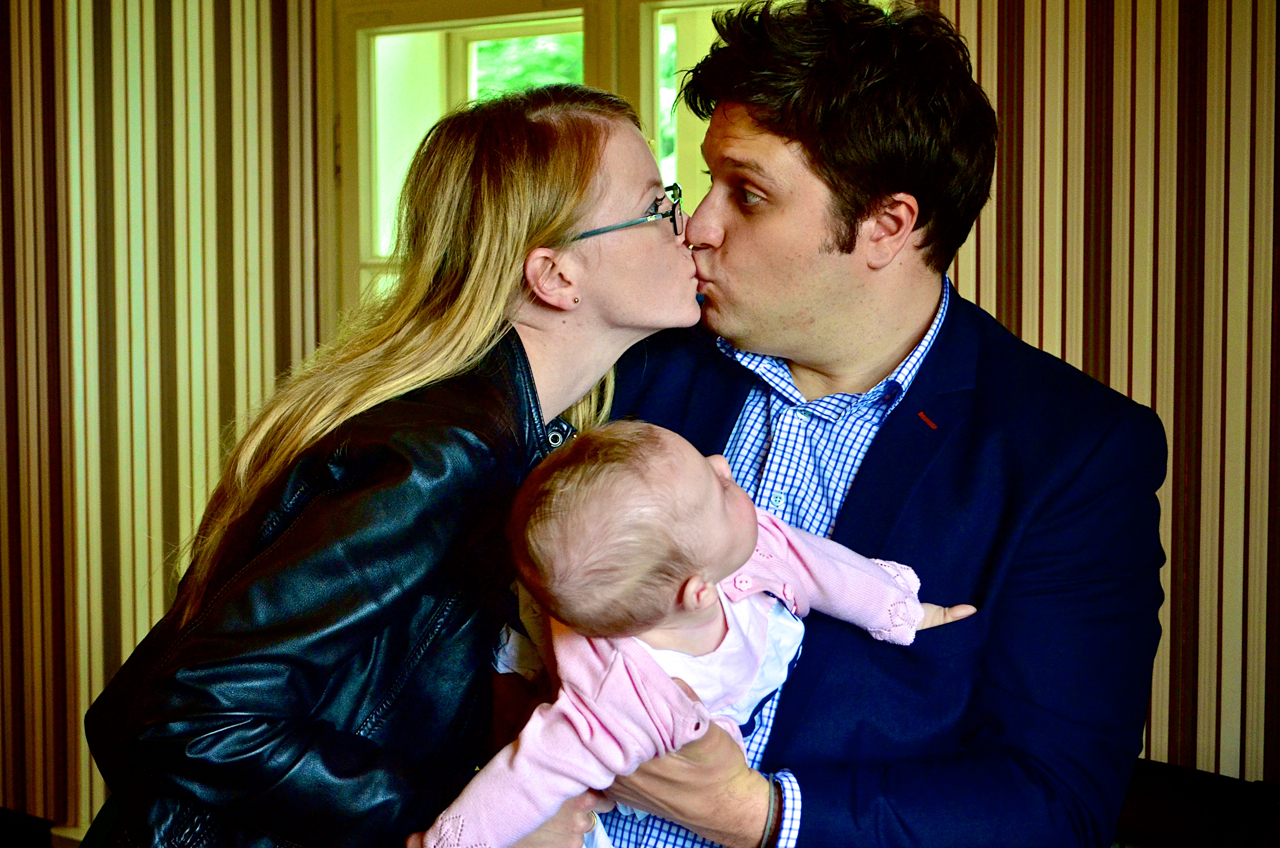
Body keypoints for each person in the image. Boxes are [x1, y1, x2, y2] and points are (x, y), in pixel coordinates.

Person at [602, 2, 1168, 847]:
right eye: (706, 183)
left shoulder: (1070, 456)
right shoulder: (641, 365)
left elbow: (1053, 801)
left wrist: (752, 814)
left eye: (747, 194)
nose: (698, 228)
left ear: (886, 226)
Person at [83, 84, 701, 848]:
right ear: (556, 277)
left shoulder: (517, 436)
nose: (690, 228)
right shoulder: (441, 456)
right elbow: (199, 714)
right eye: (657, 206)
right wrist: (455, 823)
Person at [414, 420, 975, 848]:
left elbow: (824, 569)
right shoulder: (614, 706)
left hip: (720, 659)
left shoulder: (746, 550)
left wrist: (905, 613)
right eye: (719, 487)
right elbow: (524, 776)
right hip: (672, 715)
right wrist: (447, 842)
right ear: (698, 591)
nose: (722, 463)